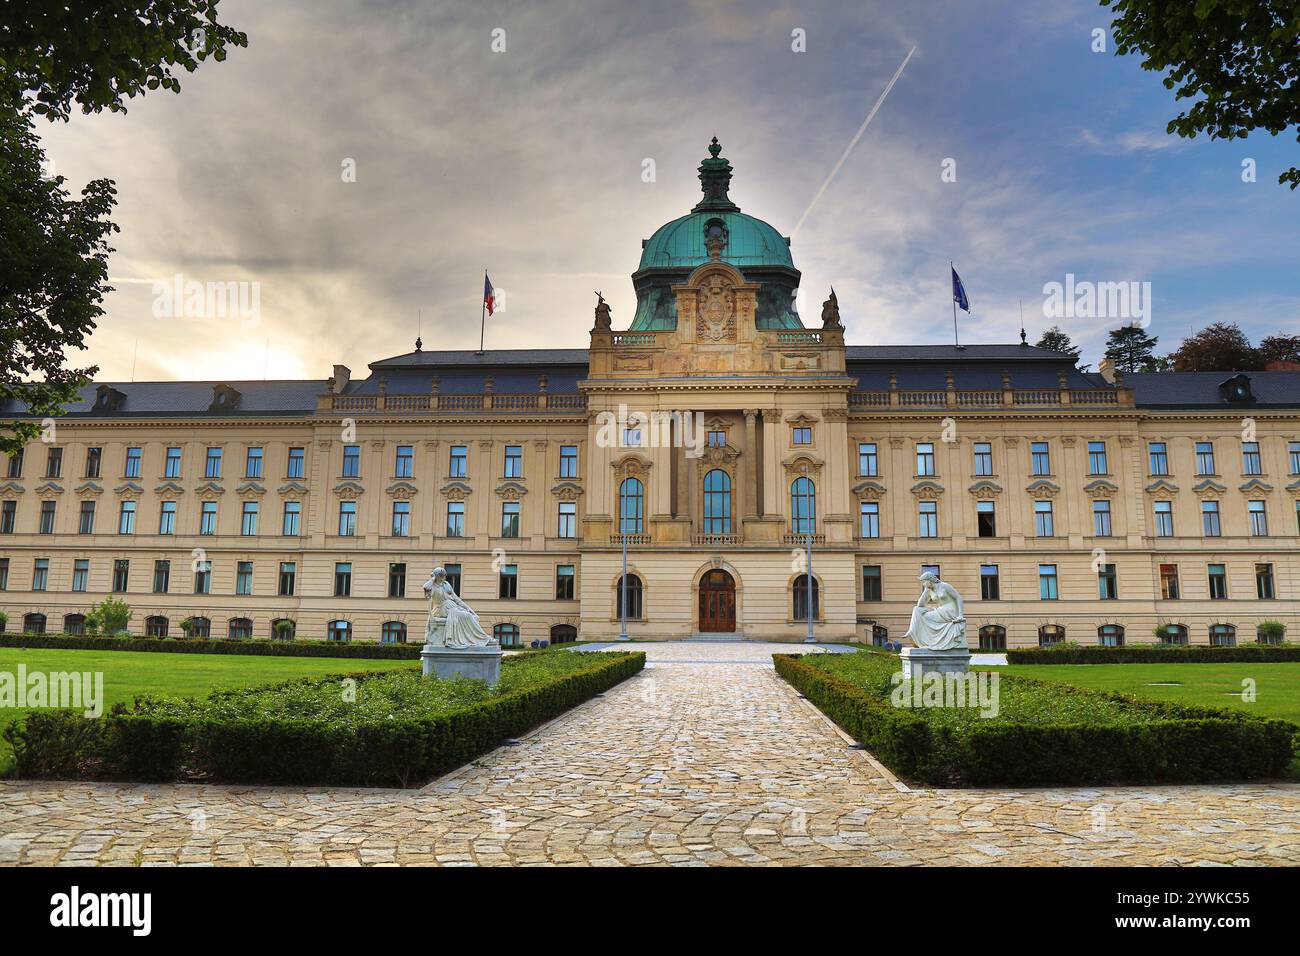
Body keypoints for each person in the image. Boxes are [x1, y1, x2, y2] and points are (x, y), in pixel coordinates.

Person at [422, 567, 495, 648]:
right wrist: (433, 579)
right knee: (467, 616)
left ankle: (480, 638)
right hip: (441, 610)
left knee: (469, 614)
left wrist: (469, 608)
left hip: (452, 607)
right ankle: (482, 638)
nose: (444, 578)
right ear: (437, 576)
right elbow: (426, 587)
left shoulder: (446, 584)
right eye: (442, 576)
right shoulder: (432, 586)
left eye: (444, 576)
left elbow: (456, 599)